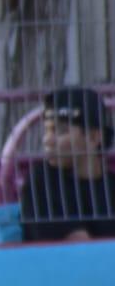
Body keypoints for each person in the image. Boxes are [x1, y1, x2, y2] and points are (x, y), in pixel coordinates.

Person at [19, 85, 115, 242]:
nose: (47, 140)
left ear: (93, 137)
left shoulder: (110, 187)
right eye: (47, 130)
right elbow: (79, 247)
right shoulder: (42, 182)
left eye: (60, 131)